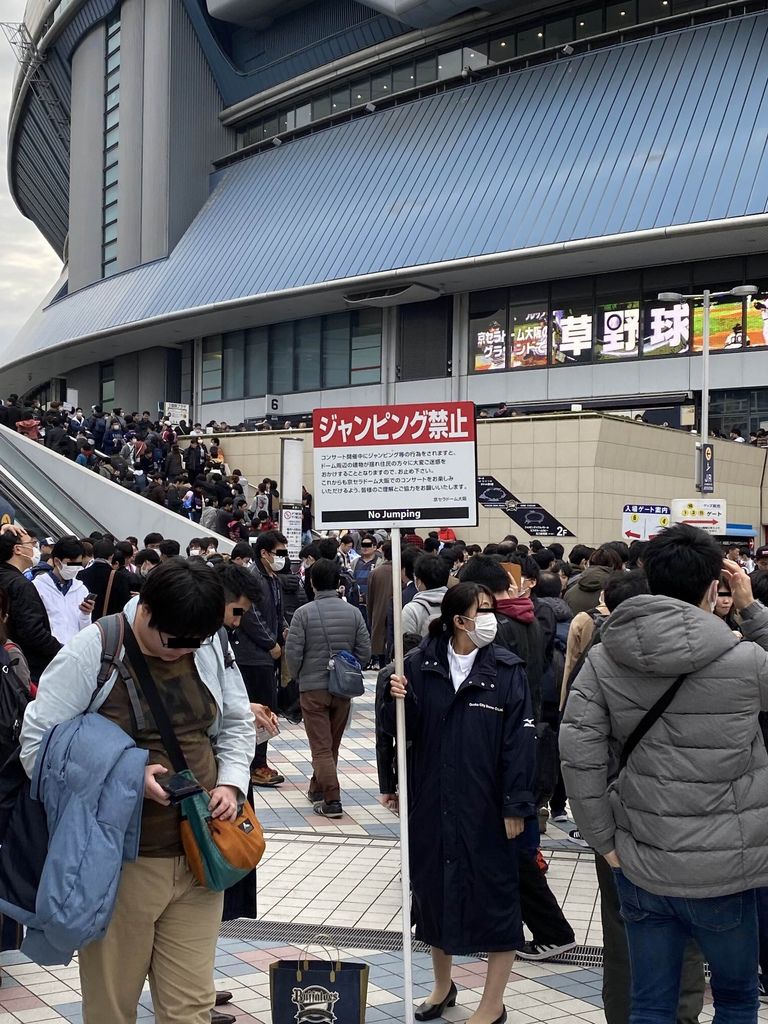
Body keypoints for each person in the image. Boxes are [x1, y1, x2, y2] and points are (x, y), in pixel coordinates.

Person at [20, 559, 255, 1024]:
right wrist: (128, 776)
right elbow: (38, 749)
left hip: (200, 854)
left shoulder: (207, 643)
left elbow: (234, 720)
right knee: (112, 1006)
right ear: (144, 610)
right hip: (118, 863)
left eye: (196, 643)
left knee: (190, 1006)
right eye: (172, 644)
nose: (182, 653)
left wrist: (231, 781)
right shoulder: (95, 649)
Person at [560, 524, 768, 1023]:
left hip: (641, 857)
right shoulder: (746, 659)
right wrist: (753, 610)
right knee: (738, 1000)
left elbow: (578, 751)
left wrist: (602, 839)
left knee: (650, 1002)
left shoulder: (607, 657)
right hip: (728, 865)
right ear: (713, 584)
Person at [384, 583, 536, 1024]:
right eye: (483, 610)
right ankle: (441, 985)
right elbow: (406, 734)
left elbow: (521, 742)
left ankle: (492, 1005)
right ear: (459, 621)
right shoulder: (417, 666)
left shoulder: (507, 670)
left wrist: (516, 805)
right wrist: (398, 698)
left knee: (496, 897)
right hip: (433, 800)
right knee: (433, 893)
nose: (491, 618)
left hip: (487, 804)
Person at [285, 559, 370, 818]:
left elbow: (293, 653)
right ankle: (317, 788)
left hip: (312, 688)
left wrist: (299, 676)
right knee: (331, 743)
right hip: (342, 689)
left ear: (311, 582)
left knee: (321, 746)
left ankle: (332, 799)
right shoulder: (354, 613)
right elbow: (365, 652)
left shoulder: (303, 613)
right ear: (338, 583)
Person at [232, 531, 288, 787]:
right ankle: (255, 764)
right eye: (280, 552)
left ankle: (259, 761)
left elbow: (277, 612)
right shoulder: (253, 578)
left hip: (266, 655)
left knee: (267, 709)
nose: (283, 558)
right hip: (252, 656)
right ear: (264, 553)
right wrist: (271, 643)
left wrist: (284, 630)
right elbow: (249, 616)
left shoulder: (273, 578)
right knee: (258, 710)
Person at [0, 526, 62, 681]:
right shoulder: (21, 585)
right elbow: (32, 631)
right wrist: (61, 651)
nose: (35, 549)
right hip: (26, 665)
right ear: (18, 549)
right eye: (32, 544)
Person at [32, 536, 94, 644]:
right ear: (57, 561)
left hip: (72, 652)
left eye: (77, 564)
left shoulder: (81, 589)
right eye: (71, 563)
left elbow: (85, 630)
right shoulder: (38, 586)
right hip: (46, 650)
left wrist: (85, 614)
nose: (75, 567)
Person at [79, 538, 134, 621]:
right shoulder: (119, 577)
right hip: (107, 626)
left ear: (93, 554)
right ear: (112, 555)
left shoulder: (81, 574)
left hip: (84, 622)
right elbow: (124, 605)